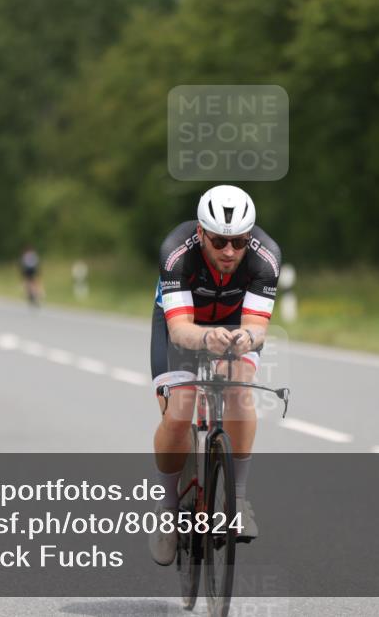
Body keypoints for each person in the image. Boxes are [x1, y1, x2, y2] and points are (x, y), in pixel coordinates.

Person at [148, 185, 281, 565]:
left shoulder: (265, 257)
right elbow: (179, 331)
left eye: (239, 242)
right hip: (183, 326)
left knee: (240, 393)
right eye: (220, 241)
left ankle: (238, 500)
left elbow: (257, 327)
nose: (229, 251)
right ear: (202, 234)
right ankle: (169, 512)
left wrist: (243, 339)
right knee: (178, 414)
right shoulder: (176, 251)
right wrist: (207, 337)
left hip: (234, 327)